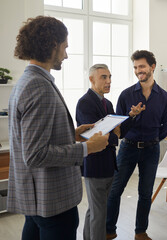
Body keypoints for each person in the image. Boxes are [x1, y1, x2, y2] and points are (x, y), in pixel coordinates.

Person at [8, 16, 109, 240]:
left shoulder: (27, 81)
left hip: (37, 200)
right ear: (52, 45)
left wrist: (72, 134)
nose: (66, 54)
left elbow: (30, 139)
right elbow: (35, 154)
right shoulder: (38, 86)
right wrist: (88, 148)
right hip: (51, 200)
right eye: (64, 47)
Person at [106, 50, 167, 240]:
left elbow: (166, 125)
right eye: (135, 67)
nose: (138, 71)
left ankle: (140, 232)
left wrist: (152, 140)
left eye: (142, 66)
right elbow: (118, 127)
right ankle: (109, 230)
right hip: (128, 147)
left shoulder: (164, 97)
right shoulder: (126, 95)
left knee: (145, 193)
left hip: (151, 150)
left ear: (152, 67)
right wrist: (131, 116)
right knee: (115, 191)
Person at [76, 64, 143, 240]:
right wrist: (113, 134)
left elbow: (118, 132)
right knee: (99, 214)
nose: (108, 81)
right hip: (95, 165)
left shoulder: (108, 103)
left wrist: (132, 115)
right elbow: (95, 137)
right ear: (91, 79)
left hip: (108, 164)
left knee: (96, 210)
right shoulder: (85, 103)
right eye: (103, 77)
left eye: (110, 77)